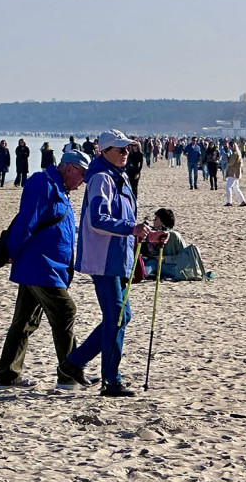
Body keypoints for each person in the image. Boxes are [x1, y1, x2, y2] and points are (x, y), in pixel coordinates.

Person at [60, 130, 166, 398]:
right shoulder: (101, 178)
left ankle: (73, 363)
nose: (125, 153)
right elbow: (98, 219)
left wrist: (149, 235)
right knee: (116, 317)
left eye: (127, 149)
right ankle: (111, 380)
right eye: (120, 150)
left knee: (122, 316)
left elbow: (126, 222)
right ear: (103, 152)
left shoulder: (119, 176)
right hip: (103, 258)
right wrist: (132, 229)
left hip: (119, 256)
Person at [0, 150, 92, 391]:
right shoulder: (43, 183)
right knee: (65, 310)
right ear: (69, 168)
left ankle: (7, 377)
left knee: (25, 321)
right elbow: (27, 221)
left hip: (47, 266)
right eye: (81, 174)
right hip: (40, 265)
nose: (83, 181)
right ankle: (69, 373)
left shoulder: (59, 189)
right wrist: (11, 251)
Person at [142, 208, 188, 280]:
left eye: (156, 219)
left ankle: (141, 274)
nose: (153, 221)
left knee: (153, 263)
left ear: (162, 222)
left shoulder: (174, 236)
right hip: (162, 266)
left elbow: (185, 258)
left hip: (175, 268)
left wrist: (164, 259)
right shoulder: (155, 235)